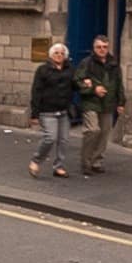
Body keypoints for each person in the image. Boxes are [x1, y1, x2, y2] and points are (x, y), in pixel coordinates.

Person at [72, 34, 127, 177]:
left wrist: (121, 102)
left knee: (104, 134)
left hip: (108, 104)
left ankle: (96, 161)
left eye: (104, 47)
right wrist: (93, 89)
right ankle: (86, 162)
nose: (102, 50)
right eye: (99, 47)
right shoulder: (87, 63)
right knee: (92, 130)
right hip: (91, 103)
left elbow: (119, 84)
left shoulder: (114, 64)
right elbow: (77, 80)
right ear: (94, 48)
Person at [28, 42, 74, 178]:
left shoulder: (70, 70)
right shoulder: (43, 70)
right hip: (47, 111)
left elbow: (76, 84)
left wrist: (86, 83)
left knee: (64, 140)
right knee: (50, 138)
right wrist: (34, 114)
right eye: (56, 53)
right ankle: (36, 161)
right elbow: (36, 92)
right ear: (51, 55)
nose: (59, 55)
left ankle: (58, 166)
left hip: (63, 111)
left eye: (62, 53)